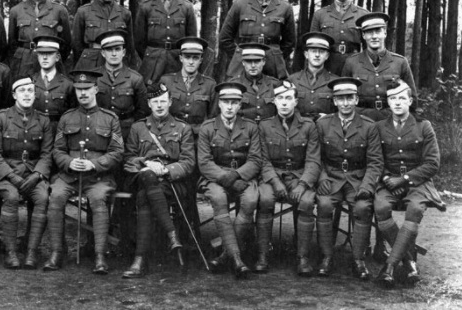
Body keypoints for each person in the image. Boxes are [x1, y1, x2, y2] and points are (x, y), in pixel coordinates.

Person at [48, 70, 124, 274]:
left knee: (99, 199)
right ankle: (57, 252)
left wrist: (95, 164)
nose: (83, 93)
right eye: (79, 89)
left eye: (87, 89)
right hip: (70, 175)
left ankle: (100, 255)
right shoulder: (67, 118)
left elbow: (117, 152)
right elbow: (57, 150)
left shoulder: (110, 119)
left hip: (98, 176)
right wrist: (69, 163)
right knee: (55, 196)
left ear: (96, 90)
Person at [374, 81, 445, 288]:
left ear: (410, 101)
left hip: (417, 183)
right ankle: (409, 261)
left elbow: (432, 163)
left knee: (414, 209)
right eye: (393, 99)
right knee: (381, 207)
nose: (397, 103)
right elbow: (374, 159)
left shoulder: (424, 126)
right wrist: (386, 176)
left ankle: (389, 266)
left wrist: (404, 179)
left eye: (402, 98)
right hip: (388, 182)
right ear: (387, 102)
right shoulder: (379, 127)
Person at [121, 82, 195, 278]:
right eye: (155, 102)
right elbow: (128, 159)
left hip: (172, 183)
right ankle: (172, 235)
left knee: (144, 197)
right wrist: (146, 163)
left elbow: (188, 163)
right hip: (143, 177)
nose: (160, 105)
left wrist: (165, 170)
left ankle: (139, 261)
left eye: (163, 101)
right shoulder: (138, 128)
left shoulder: (182, 128)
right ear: (149, 104)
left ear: (170, 102)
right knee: (146, 175)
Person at [315, 77, 384, 279]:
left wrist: (367, 186)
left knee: (363, 207)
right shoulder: (323, 124)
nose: (345, 103)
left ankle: (358, 259)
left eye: (349, 98)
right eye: (340, 99)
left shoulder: (369, 126)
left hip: (357, 179)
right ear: (334, 101)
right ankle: (326, 257)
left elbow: (375, 162)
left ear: (356, 100)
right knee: (325, 205)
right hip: (332, 178)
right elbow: (315, 157)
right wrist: (321, 178)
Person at [0, 76, 53, 270]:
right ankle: (11, 251)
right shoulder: (1, 117)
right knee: (12, 197)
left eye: (30, 91)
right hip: (6, 174)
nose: (26, 94)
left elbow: (47, 153)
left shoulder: (43, 120)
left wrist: (38, 174)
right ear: (14, 95)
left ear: (35, 94)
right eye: (22, 91)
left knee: (41, 197)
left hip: (32, 173)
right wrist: (11, 176)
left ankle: (31, 251)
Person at [198, 82, 262, 279]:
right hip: (215, 177)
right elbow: (205, 162)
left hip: (243, 176)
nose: (229, 107)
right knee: (218, 198)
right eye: (226, 102)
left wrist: (237, 176)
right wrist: (228, 179)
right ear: (219, 104)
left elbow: (255, 159)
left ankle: (225, 254)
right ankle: (237, 259)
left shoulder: (250, 127)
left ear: (240, 105)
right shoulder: (208, 127)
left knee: (251, 200)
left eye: (234, 102)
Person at [257, 81, 320, 276]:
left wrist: (303, 185)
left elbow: (313, 160)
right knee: (265, 199)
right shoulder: (264, 126)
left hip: (298, 175)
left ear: (296, 102)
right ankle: (262, 254)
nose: (284, 103)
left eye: (288, 98)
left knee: (307, 202)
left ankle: (302, 256)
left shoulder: (309, 126)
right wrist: (275, 182)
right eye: (280, 99)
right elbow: (263, 160)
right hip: (272, 175)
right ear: (274, 102)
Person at [219, 0, 295, 80]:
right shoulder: (240, 4)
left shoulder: (285, 7)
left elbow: (289, 42)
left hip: (273, 67)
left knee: (276, 94)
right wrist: (240, 55)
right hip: (243, 64)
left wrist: (276, 56)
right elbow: (225, 38)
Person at [342, 12, 418, 121]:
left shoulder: (400, 62)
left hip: (391, 121)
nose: (374, 36)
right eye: (369, 32)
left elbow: (412, 100)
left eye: (378, 31)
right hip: (360, 122)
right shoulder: (351, 62)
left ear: (385, 33)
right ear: (363, 35)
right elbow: (343, 96)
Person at [134, 0, 197, 85]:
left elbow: (191, 40)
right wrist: (151, 56)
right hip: (152, 63)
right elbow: (139, 41)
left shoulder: (186, 7)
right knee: (151, 96)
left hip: (177, 62)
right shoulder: (146, 7)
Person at [7, 0, 72, 78]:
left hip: (50, 62)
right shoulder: (16, 11)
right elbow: (12, 44)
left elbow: (66, 44)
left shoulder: (59, 11)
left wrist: (53, 57)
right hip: (23, 63)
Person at [72, 0, 137, 70]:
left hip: (117, 66)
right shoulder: (84, 12)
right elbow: (77, 45)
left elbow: (130, 46)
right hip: (91, 64)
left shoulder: (125, 13)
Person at [310, 0, 368, 75]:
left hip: (355, 68)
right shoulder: (320, 15)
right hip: (327, 68)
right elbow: (313, 48)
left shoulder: (363, 15)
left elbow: (368, 49)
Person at [92, 29, 149, 141]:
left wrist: (134, 132)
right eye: (109, 50)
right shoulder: (94, 77)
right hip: (98, 129)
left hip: (127, 132)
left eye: (117, 49)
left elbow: (142, 111)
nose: (114, 54)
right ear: (103, 53)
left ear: (123, 52)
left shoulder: (135, 78)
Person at [160, 36, 217, 140]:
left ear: (201, 60)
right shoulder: (167, 81)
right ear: (181, 58)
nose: (191, 62)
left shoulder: (209, 85)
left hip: (198, 138)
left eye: (195, 58)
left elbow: (213, 118)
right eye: (187, 57)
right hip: (171, 136)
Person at [30, 35, 76, 134]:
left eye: (50, 53)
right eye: (41, 53)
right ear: (37, 56)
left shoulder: (68, 84)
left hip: (58, 132)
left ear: (57, 57)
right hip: (33, 131)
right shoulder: (29, 82)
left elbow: (72, 115)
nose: (45, 57)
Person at [288, 32, 338, 121]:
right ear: (306, 54)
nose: (317, 55)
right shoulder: (293, 80)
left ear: (327, 56)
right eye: (313, 51)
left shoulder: (335, 81)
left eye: (321, 51)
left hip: (326, 129)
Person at [230, 43, 281, 123]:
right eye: (248, 61)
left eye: (257, 61)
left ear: (264, 62)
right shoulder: (234, 85)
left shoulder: (275, 84)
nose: (253, 66)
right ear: (243, 62)